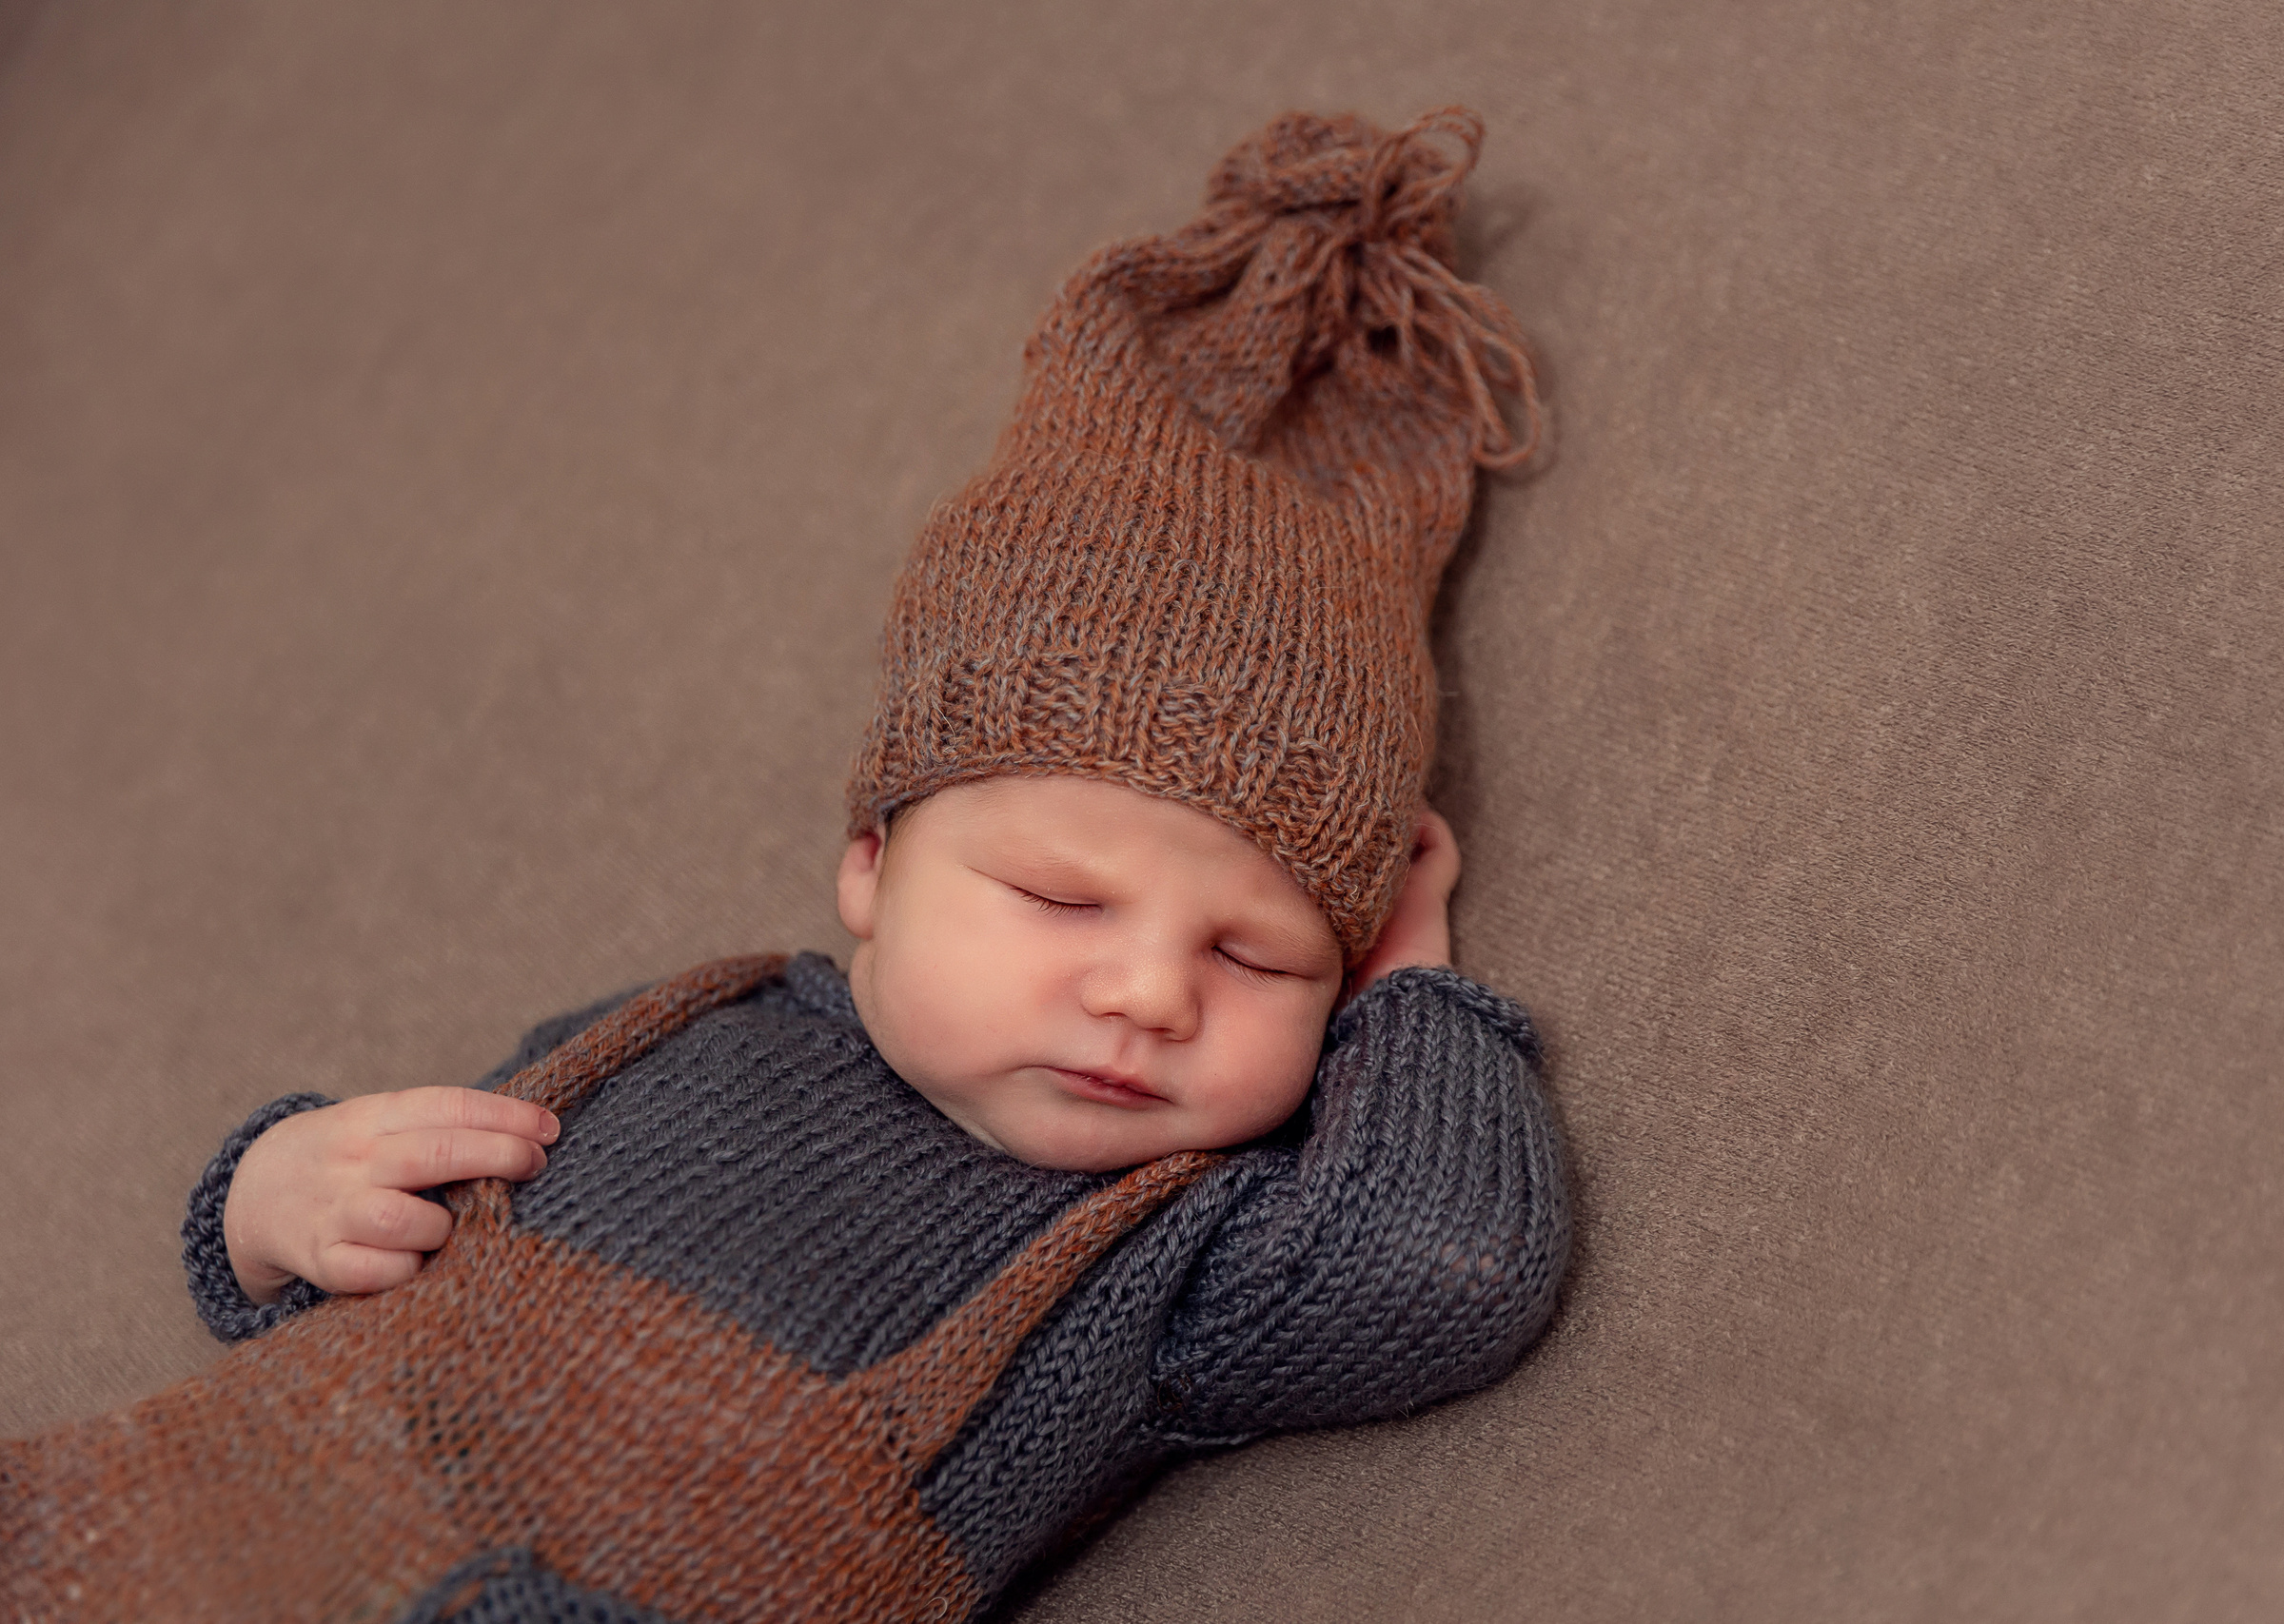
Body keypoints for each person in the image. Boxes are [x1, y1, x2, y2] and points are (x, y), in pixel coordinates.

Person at [7, 107, 1567, 1624]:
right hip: (189, 1516)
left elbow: (1452, 1266)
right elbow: (389, 1214)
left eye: (1257, 956)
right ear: (872, 866)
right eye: (1059, 898)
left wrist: (1412, 986)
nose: (1149, 993)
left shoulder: (1174, 1249)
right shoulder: (680, 1024)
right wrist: (272, 1194)